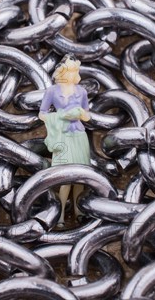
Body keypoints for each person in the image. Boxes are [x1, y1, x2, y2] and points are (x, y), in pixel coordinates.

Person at [38, 54, 91, 227]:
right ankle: (59, 215)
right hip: (63, 136)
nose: (74, 74)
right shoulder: (52, 91)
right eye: (72, 70)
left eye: (76, 71)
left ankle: (79, 211)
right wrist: (61, 116)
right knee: (65, 179)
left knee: (80, 178)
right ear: (64, 72)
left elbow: (87, 116)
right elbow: (42, 114)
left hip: (79, 135)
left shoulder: (81, 91)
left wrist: (81, 114)